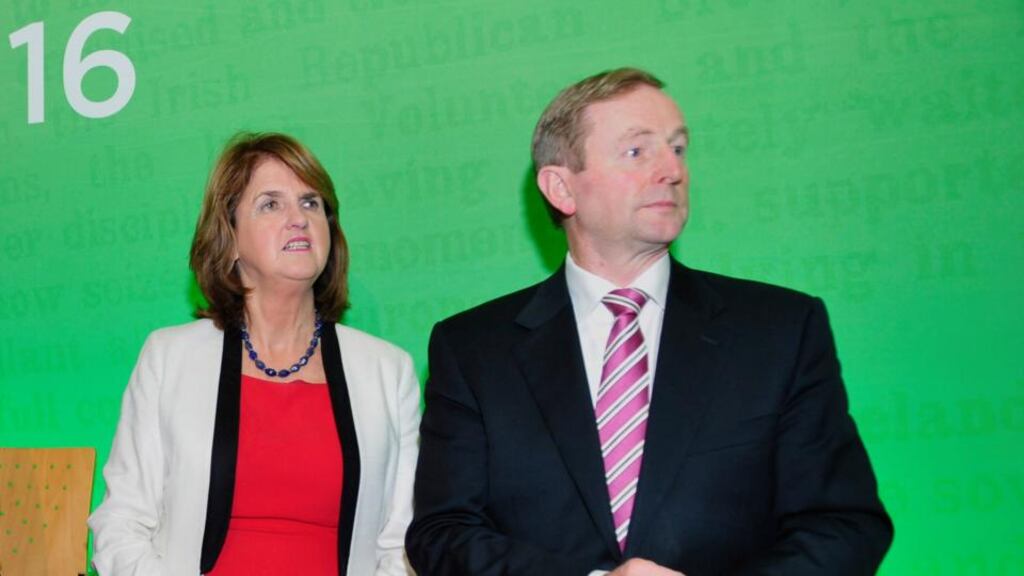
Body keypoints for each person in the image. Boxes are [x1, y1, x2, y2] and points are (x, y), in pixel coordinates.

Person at [406, 68, 892, 575]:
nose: (672, 170)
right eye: (637, 152)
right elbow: (444, 534)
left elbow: (844, 524)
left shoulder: (780, 330)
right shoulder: (473, 349)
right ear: (560, 188)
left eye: (678, 149)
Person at [88, 133, 419, 575]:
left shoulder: (388, 371)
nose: (298, 219)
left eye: (311, 203)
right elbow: (121, 523)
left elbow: (402, 544)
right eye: (271, 204)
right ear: (230, 236)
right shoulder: (169, 358)